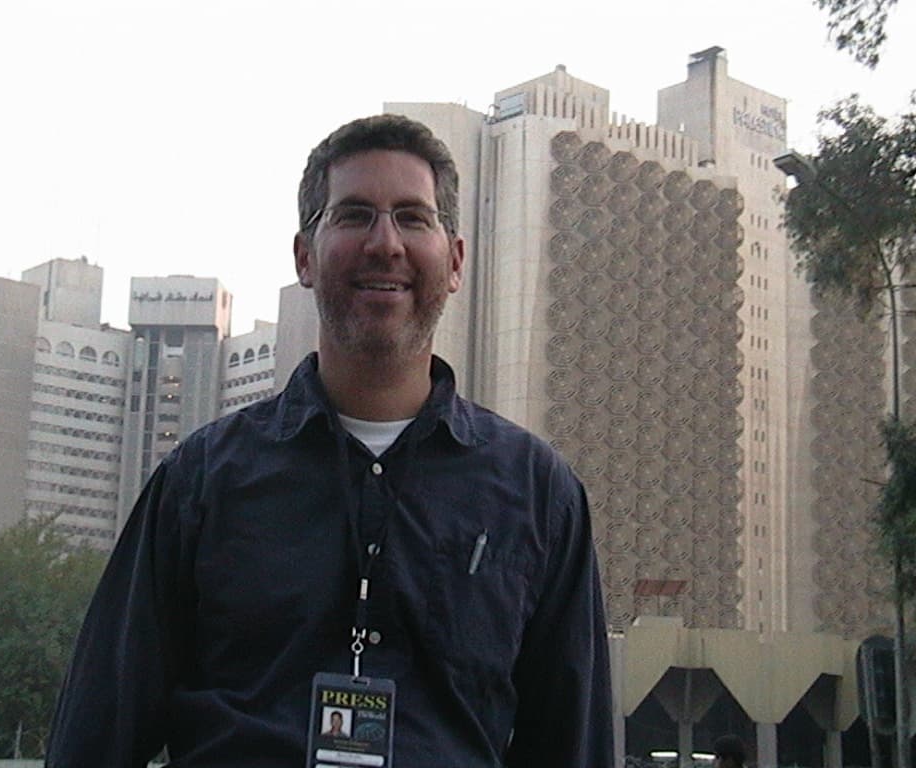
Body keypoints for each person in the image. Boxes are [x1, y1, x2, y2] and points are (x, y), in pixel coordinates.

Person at [45, 114, 612, 767]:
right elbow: (97, 728)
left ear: (454, 262)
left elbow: (573, 744)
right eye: (353, 215)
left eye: (413, 217)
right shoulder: (201, 481)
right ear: (304, 257)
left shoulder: (539, 494)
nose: (385, 243)